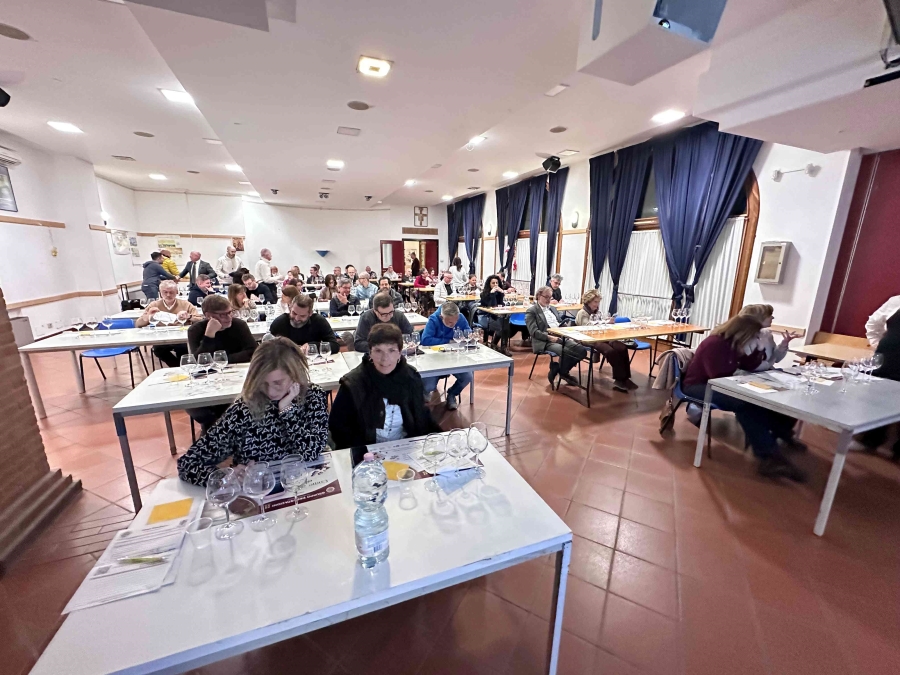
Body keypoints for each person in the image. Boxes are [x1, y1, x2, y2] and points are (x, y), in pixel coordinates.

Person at [177, 337, 329, 485]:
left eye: (278, 383)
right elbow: (187, 464)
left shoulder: (313, 396)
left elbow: (312, 452)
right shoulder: (243, 410)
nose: (270, 392)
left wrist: (287, 411)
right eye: (263, 383)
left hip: (306, 483)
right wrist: (227, 476)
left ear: (295, 374)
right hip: (259, 490)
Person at [682, 315, 806, 481]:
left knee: (770, 398)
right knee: (744, 404)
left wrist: (759, 349)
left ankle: (781, 435)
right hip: (698, 386)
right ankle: (768, 455)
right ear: (744, 333)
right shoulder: (715, 344)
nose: (756, 339)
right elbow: (717, 377)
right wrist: (744, 382)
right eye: (755, 336)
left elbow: (750, 365)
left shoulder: (736, 344)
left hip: (719, 383)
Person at [329, 323, 440, 448]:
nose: (385, 358)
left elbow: (421, 416)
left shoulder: (411, 377)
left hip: (406, 447)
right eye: (378, 351)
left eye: (391, 350)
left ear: (400, 352)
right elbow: (339, 428)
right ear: (370, 352)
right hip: (365, 450)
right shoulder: (353, 383)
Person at [186, 295, 259, 434]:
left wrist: (221, 361)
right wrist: (209, 335)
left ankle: (223, 432)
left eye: (230, 312)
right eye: (223, 314)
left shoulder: (239, 325)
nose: (229, 317)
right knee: (198, 409)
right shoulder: (195, 330)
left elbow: (252, 351)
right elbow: (199, 363)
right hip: (207, 381)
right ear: (208, 315)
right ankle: (215, 433)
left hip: (238, 377)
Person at [575, 289, 635, 392]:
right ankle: (620, 379)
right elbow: (587, 327)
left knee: (622, 347)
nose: (597, 304)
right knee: (610, 351)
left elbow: (601, 324)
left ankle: (625, 378)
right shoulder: (582, 313)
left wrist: (608, 321)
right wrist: (604, 322)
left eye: (598, 302)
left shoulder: (597, 312)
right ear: (588, 301)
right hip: (589, 339)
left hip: (602, 336)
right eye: (595, 302)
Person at [527, 286, 586, 387]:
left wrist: (569, 331)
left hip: (560, 336)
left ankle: (559, 370)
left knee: (581, 350)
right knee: (566, 352)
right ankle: (564, 373)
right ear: (539, 296)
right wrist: (550, 338)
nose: (548, 300)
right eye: (546, 297)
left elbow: (559, 323)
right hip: (545, 340)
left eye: (550, 297)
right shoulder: (532, 311)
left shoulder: (553, 308)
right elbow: (534, 332)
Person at [861, 306, 900, 459]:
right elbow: (873, 323)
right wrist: (878, 343)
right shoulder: (896, 301)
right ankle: (869, 441)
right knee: (876, 400)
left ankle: (896, 449)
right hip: (885, 359)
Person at [420, 302, 473, 410]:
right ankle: (424, 392)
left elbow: (468, 331)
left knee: (467, 377)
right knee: (429, 386)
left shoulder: (460, 317)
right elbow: (425, 340)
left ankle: (452, 394)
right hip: (434, 359)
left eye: (456, 321)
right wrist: (448, 341)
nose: (453, 324)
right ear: (441, 317)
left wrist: (468, 336)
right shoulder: (433, 319)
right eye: (450, 322)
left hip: (454, 358)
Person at [136, 280, 202, 367]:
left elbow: (200, 320)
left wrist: (189, 316)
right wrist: (148, 315)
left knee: (183, 348)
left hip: (181, 335)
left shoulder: (186, 304)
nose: (168, 295)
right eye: (165, 292)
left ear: (177, 292)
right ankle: (177, 367)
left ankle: (183, 367)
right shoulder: (154, 305)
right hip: (162, 336)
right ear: (160, 293)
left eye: (171, 292)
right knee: (158, 349)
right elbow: (138, 324)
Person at [269, 294, 341, 354]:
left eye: (302, 316)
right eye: (294, 313)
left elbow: (335, 345)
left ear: (310, 313)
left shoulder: (318, 321)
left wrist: (312, 346)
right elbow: (267, 348)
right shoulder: (280, 323)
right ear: (290, 308)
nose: (297, 318)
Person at [739, 304, 801, 371]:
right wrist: (770, 364)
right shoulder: (742, 338)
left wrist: (783, 344)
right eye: (769, 315)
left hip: (765, 372)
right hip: (745, 375)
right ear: (758, 318)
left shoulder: (766, 334)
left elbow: (776, 358)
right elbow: (751, 366)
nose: (773, 317)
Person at [478, 275, 507, 351]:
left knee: (506, 322)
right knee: (503, 324)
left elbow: (501, 304)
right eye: (493, 283)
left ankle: (498, 344)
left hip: (497, 314)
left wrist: (501, 293)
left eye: (497, 283)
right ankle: (496, 344)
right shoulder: (484, 294)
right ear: (489, 284)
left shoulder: (498, 293)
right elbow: (492, 305)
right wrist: (492, 294)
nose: (495, 285)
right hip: (486, 315)